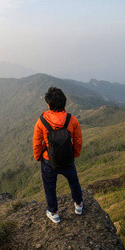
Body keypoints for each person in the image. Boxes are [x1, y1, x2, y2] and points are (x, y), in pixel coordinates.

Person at [33, 86, 83, 223]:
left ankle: (53, 212)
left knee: (50, 187)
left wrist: (38, 156)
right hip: (67, 160)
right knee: (74, 183)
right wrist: (75, 154)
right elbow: (78, 140)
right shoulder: (72, 120)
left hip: (49, 161)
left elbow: (37, 142)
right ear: (64, 102)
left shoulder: (42, 121)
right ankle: (78, 205)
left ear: (49, 104)